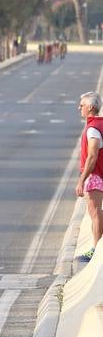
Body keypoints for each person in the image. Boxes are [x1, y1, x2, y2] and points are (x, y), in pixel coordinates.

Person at [77, 92, 103, 261]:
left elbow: (92, 156)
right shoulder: (98, 125)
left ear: (91, 107)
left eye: (82, 105)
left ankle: (95, 250)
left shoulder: (93, 128)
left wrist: (82, 179)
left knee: (94, 213)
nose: (79, 108)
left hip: (95, 175)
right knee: (96, 213)